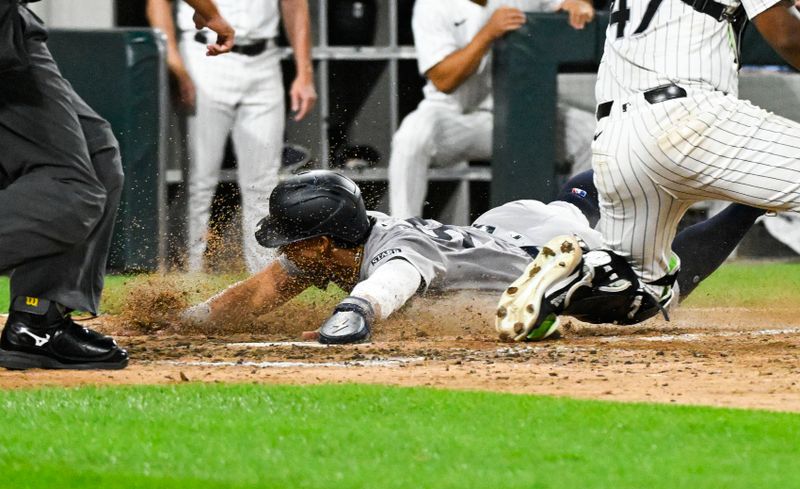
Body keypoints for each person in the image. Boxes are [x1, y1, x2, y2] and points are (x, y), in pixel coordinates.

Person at [497, 0, 800, 341]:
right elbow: (787, 35)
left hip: (618, 139)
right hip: (692, 118)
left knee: (641, 289)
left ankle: (570, 279)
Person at [183, 170, 764, 344]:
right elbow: (256, 293)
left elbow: (365, 307)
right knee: (573, 202)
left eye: (291, 240)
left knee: (647, 296)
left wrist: (342, 323)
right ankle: (604, 178)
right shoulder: (342, 241)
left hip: (528, 253)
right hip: (501, 232)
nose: (286, 252)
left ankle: (749, 205)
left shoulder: (392, 256)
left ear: (324, 240)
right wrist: (185, 323)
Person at [0, 0, 233, 370]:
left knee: (98, 159)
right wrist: (208, 10)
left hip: (12, 27)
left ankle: (37, 321)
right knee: (71, 190)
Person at [147, 0, 317, 274]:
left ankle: (261, 284)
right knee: (199, 182)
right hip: (203, 54)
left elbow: (295, 4)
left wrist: (304, 73)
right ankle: (187, 282)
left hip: (264, 58)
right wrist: (174, 61)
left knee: (264, 184)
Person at [387, 0, 597, 219]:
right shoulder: (433, 5)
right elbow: (443, 80)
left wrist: (580, 5)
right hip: (457, 116)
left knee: (590, 135)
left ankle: (577, 230)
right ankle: (402, 232)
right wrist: (487, 33)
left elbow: (569, 2)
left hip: (523, 114)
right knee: (411, 137)